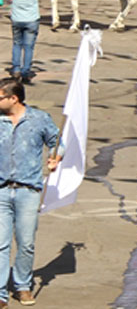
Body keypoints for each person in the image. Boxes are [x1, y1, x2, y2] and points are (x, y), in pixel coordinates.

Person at [0, 77, 62, 307]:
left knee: (26, 242)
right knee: (0, 243)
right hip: (1, 190)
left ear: (13, 98)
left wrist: (56, 157)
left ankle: (23, 286)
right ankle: (0, 293)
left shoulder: (39, 119)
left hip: (28, 190)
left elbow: (58, 141)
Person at [6, 0, 52, 84]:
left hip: (16, 17)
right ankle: (25, 71)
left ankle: (16, 69)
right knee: (29, 46)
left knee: (17, 44)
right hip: (31, 18)